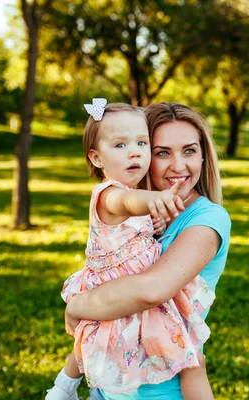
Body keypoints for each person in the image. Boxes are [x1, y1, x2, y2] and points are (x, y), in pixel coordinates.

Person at [46, 101, 219, 400]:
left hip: (135, 304)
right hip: (115, 289)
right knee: (105, 342)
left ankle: (65, 386)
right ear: (97, 158)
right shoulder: (112, 194)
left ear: (204, 156)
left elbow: (150, 288)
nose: (135, 151)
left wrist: (76, 306)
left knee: (192, 362)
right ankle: (64, 386)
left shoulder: (208, 218)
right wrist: (154, 202)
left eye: (142, 143)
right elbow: (127, 202)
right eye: (163, 151)